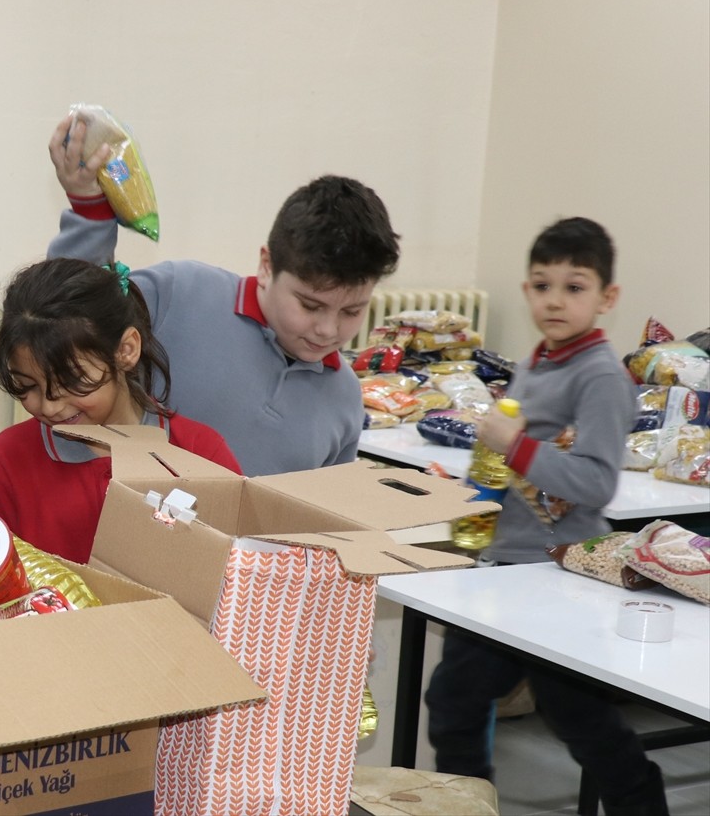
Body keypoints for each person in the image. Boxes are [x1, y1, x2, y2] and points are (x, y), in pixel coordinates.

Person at [424, 217, 667, 815]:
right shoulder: (539, 359)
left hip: (563, 577)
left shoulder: (603, 377)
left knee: (583, 726)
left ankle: (644, 801)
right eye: (541, 285)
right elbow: (512, 458)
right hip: (504, 569)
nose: (555, 300)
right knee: (454, 703)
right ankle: (468, 806)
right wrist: (464, 503)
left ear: (606, 298)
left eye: (574, 286)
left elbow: (593, 481)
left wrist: (513, 445)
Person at [46, 113, 401, 477]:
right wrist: (89, 212)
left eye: (352, 311)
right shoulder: (179, 294)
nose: (328, 330)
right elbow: (65, 315)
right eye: (310, 305)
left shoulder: (343, 399)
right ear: (266, 266)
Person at [0, 257, 241, 563]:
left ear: (126, 351)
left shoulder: (201, 453)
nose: (49, 407)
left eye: (72, 381)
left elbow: (233, 572)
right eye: (29, 387)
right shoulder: (8, 461)